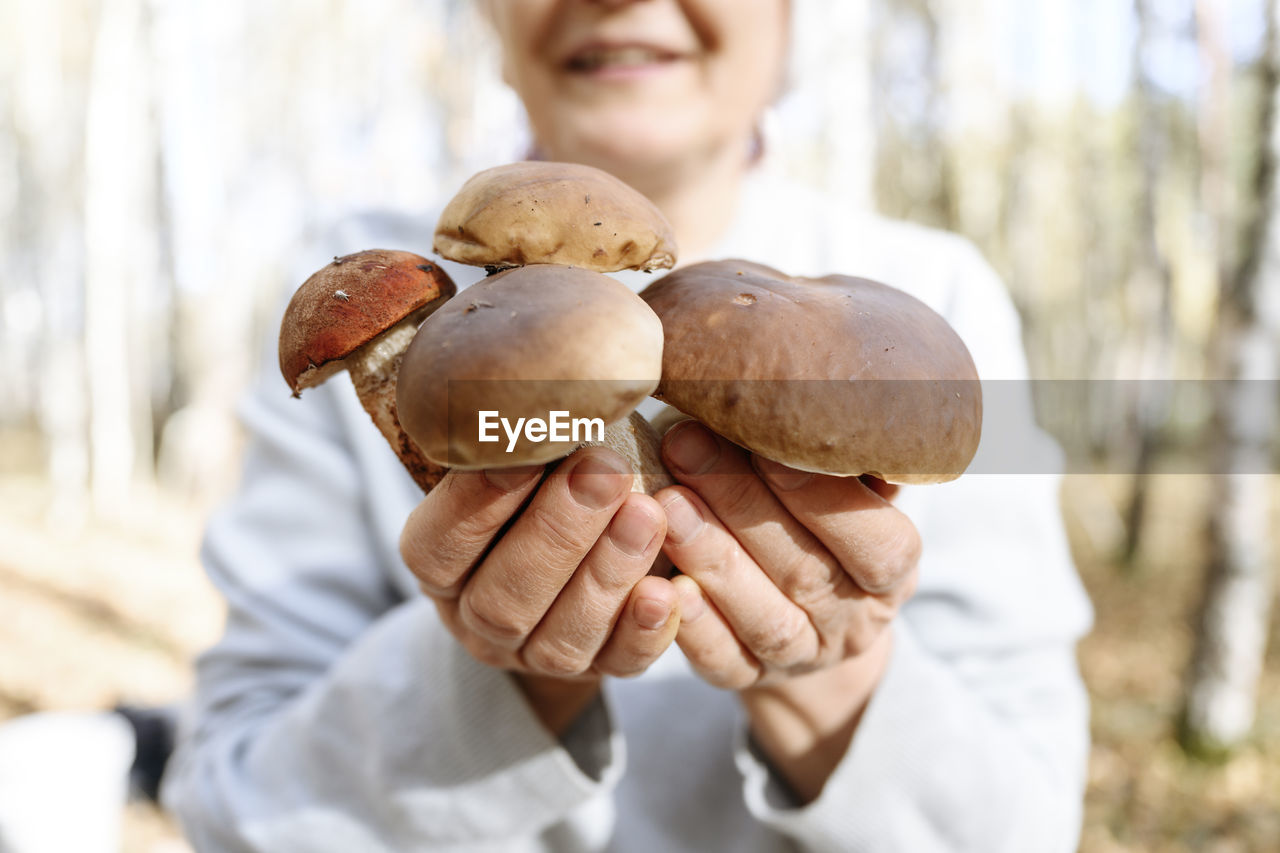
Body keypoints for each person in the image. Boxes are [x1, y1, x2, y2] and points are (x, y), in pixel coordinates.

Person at [163, 1, 1094, 850]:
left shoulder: (945, 294)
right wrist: (499, 679)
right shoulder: (381, 298)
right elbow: (229, 802)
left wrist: (831, 677)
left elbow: (1028, 822)